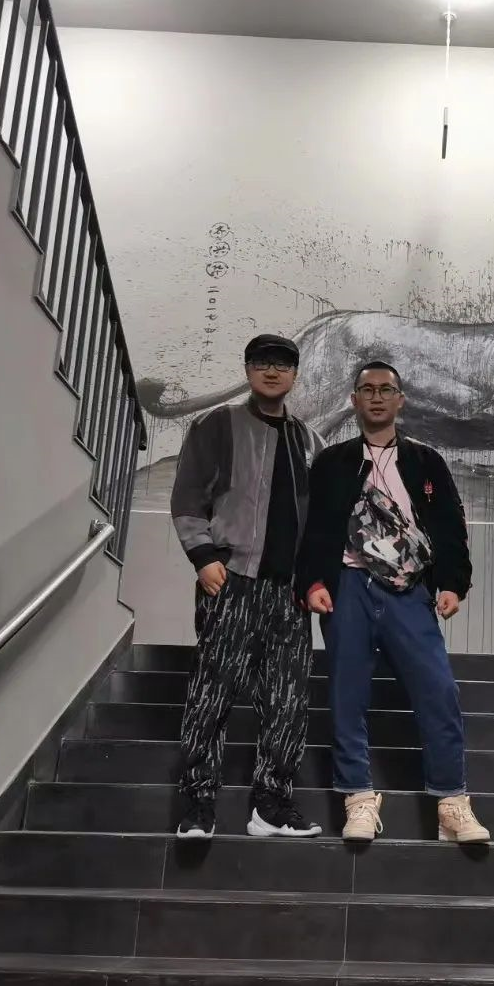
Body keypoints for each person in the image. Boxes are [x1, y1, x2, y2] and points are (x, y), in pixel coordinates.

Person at [299, 360, 490, 845]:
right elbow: (314, 526)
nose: (377, 397)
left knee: (438, 691)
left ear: (401, 400)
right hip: (347, 586)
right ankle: (358, 799)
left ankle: (451, 803)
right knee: (347, 695)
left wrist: (453, 583)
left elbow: (448, 525)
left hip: (409, 590)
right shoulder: (333, 461)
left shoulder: (425, 461)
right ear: (354, 400)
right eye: (368, 389)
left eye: (386, 390)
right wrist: (313, 581)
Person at [170, 333, 324, 840]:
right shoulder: (218, 424)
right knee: (212, 693)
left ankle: (271, 804)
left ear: (294, 374)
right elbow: (188, 494)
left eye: (282, 364)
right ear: (248, 369)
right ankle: (198, 803)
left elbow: (319, 519)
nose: (272, 371)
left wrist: (313, 578)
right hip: (230, 580)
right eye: (261, 362)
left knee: (287, 701)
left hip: (289, 593)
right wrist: (203, 556)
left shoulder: (309, 440)